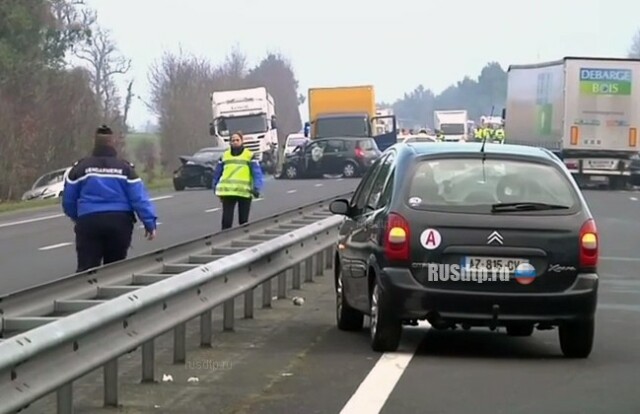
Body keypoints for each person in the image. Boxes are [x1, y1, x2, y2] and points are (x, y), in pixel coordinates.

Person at [62, 125, 158, 272]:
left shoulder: (80, 168)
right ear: (113, 144)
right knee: (115, 270)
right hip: (119, 222)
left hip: (89, 221)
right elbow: (139, 198)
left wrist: (79, 217)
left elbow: (68, 200)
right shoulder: (125, 168)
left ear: (94, 143)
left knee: (86, 269)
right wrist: (149, 223)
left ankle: (85, 293)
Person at [212, 131, 264, 230]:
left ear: (242, 141)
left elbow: (257, 173)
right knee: (226, 221)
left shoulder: (249, 155)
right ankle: (225, 239)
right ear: (230, 142)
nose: (235, 142)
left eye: (237, 140)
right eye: (233, 140)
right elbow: (217, 172)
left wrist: (257, 188)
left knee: (243, 221)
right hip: (228, 192)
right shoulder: (225, 156)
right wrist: (214, 186)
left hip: (244, 192)